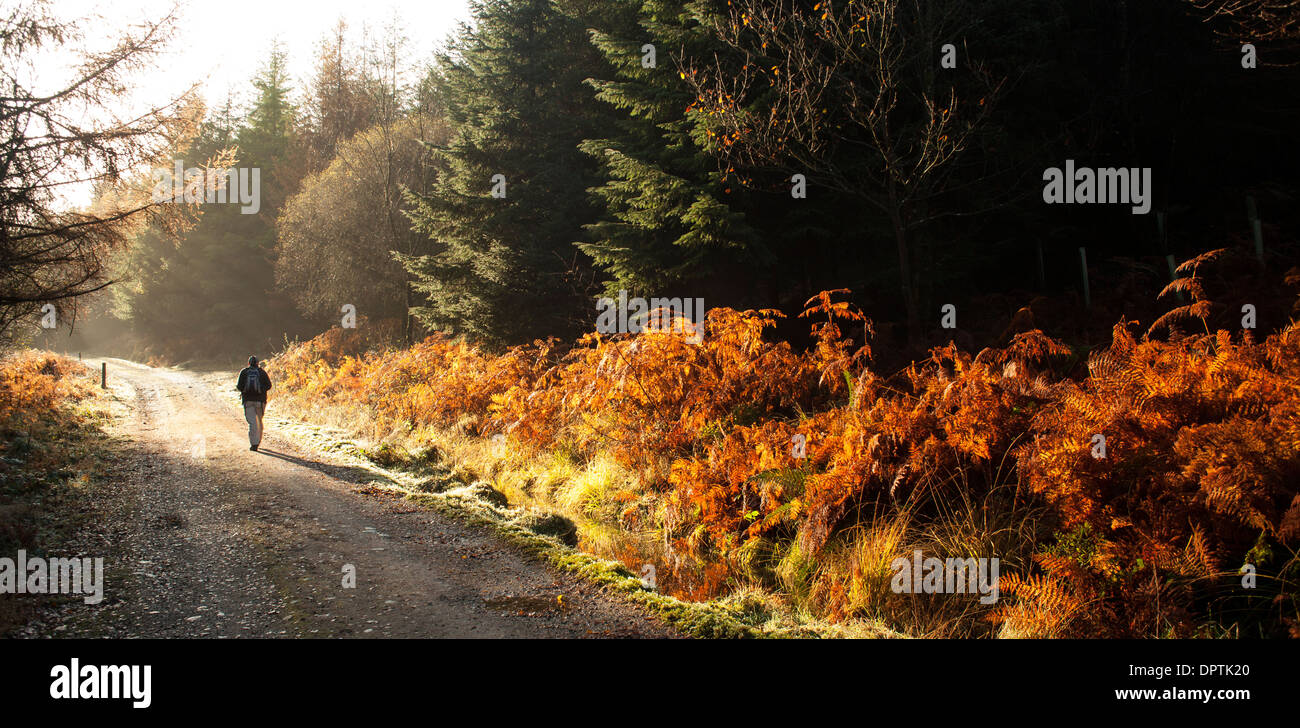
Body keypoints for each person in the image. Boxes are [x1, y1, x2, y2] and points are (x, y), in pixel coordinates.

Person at [235, 356, 272, 451]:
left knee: (252, 423)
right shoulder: (262, 372)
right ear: (258, 363)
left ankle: (254, 444)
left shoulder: (244, 372)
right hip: (260, 401)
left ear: (248, 363)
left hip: (248, 401)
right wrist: (260, 390)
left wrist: (246, 391)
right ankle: (258, 441)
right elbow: (269, 385)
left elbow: (239, 386)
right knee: (259, 421)